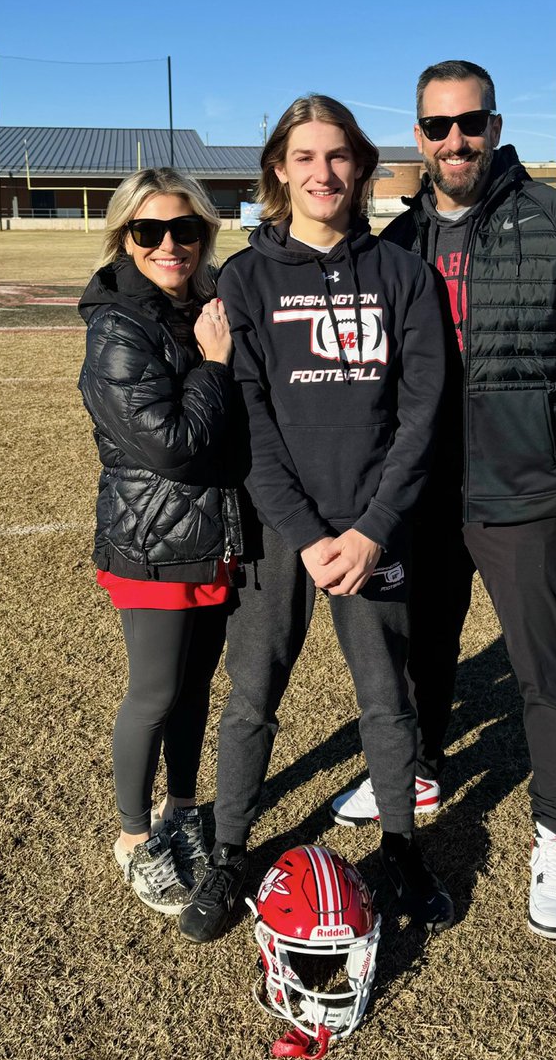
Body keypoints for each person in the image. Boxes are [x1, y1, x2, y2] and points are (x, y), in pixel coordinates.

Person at [331, 61, 556, 940]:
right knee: (424, 649)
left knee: (547, 668)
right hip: (422, 492)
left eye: (472, 123)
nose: (455, 140)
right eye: (437, 127)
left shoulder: (554, 219)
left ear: (496, 125)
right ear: (417, 137)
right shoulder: (394, 242)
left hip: (527, 486)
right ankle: (420, 769)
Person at [178, 95, 454, 943]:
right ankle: (230, 852)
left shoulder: (401, 275)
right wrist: (306, 533)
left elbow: (424, 411)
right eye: (304, 157)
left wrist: (371, 530)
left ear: (361, 168)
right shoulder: (246, 280)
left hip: (377, 533)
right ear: (277, 170)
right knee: (252, 697)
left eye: (338, 157)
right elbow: (247, 420)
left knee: (387, 701)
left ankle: (402, 848)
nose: (322, 173)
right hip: (278, 534)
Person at [78, 167, 241, 915]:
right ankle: (134, 838)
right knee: (153, 693)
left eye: (185, 230)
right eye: (150, 231)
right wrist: (213, 365)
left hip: (207, 534)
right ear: (124, 238)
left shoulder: (202, 306)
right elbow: (173, 446)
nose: (170, 244)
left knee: (194, 688)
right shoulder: (119, 327)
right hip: (153, 541)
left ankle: (182, 811)